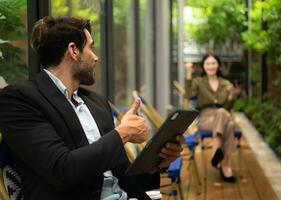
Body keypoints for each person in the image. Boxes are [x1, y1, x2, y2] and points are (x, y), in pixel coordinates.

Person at [0, 16, 183, 200]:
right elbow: (62, 171)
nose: (96, 57)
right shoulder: (20, 99)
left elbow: (123, 177)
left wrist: (156, 164)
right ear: (73, 50)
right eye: (91, 47)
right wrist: (123, 134)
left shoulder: (96, 102)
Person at [184, 53, 240, 183]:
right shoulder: (198, 81)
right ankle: (225, 166)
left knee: (224, 116)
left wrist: (231, 95)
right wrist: (188, 72)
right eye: (207, 63)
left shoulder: (225, 83)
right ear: (204, 66)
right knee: (228, 123)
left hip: (222, 115)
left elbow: (227, 107)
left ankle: (219, 156)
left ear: (218, 65)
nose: (210, 66)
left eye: (213, 63)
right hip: (205, 117)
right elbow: (188, 95)